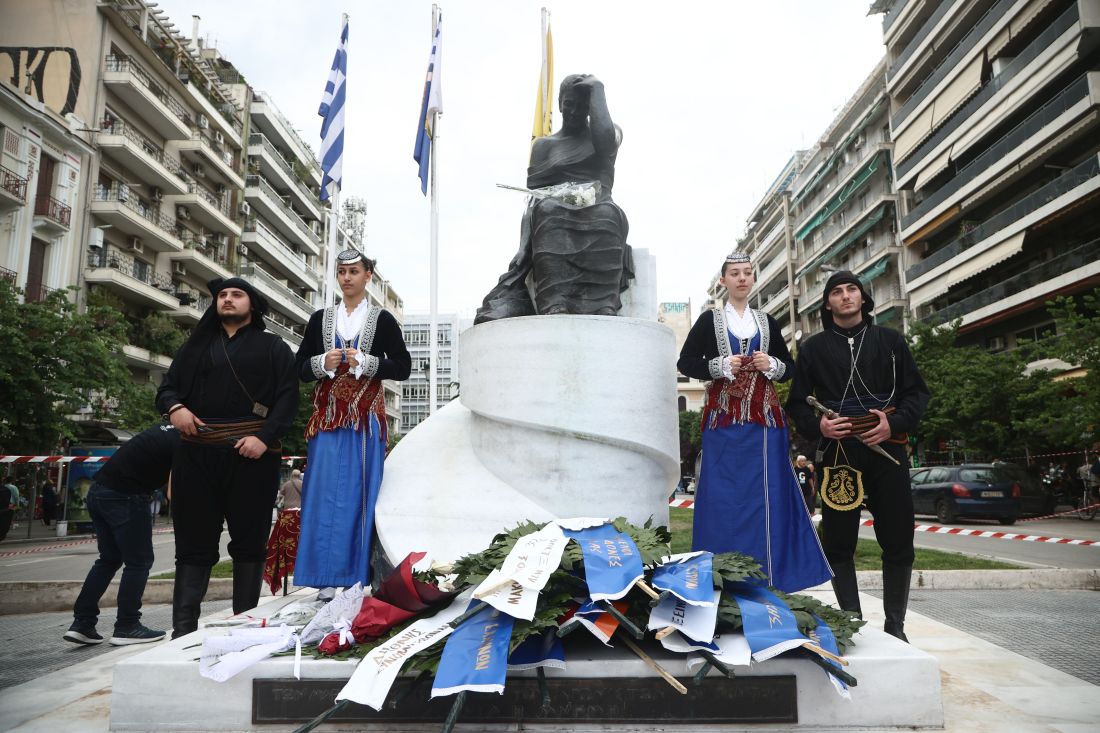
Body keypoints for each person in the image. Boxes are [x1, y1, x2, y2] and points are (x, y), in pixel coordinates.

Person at [786, 271, 930, 642]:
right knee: (838, 540)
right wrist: (819, 426)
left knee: (898, 538)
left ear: (864, 298)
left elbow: (916, 394)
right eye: (837, 291)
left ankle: (895, 625)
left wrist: (893, 421)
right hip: (839, 454)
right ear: (828, 303)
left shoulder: (892, 341)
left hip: (888, 449)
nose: (846, 296)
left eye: (852, 289)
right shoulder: (813, 349)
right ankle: (851, 623)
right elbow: (798, 404)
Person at [676, 250, 831, 593]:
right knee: (721, 493)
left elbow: (789, 367)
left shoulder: (767, 322)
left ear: (753, 279)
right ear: (723, 280)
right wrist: (718, 366)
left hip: (764, 421)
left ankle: (770, 576)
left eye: (747, 273)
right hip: (723, 419)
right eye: (735, 273)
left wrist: (771, 364)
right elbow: (685, 362)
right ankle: (718, 578)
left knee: (770, 492)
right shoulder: (709, 320)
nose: (742, 278)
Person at [156, 278, 298, 639]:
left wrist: (264, 439)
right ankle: (183, 631)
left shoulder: (274, 347)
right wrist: (175, 409)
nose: (228, 300)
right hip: (196, 454)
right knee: (193, 543)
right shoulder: (195, 347)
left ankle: (244, 627)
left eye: (236, 295)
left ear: (253, 304)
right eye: (222, 295)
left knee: (249, 542)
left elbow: (287, 400)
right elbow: (167, 388)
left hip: (252, 457)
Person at [293, 250, 411, 590]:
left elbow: (402, 367)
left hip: (364, 421)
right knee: (320, 492)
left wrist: (366, 361)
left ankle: (358, 577)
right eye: (341, 271)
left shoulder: (382, 319)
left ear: (368, 276)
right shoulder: (320, 319)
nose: (347, 277)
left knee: (361, 493)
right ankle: (322, 578)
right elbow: (299, 368)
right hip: (327, 419)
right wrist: (322, 362)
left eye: (354, 271)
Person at [476, 74, 632, 322]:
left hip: (598, 203)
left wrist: (598, 89)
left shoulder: (605, 133)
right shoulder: (543, 146)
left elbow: (605, 141)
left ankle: (603, 302)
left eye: (582, 106)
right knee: (548, 211)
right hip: (554, 208)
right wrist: (523, 243)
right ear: (560, 104)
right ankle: (554, 300)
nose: (574, 111)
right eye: (569, 104)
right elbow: (534, 198)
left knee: (607, 214)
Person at [63, 424, 180, 646]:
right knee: (139, 561)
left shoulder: (162, 430)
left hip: (98, 491)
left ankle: (82, 623)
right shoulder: (184, 441)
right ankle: (127, 626)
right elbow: (173, 492)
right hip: (126, 497)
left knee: (109, 559)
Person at [1, 475, 19, 542]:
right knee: (11, 516)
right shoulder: (14, 487)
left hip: (4, 504)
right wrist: (17, 505)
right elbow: (16, 496)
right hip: (12, 504)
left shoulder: (4, 487)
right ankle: (10, 525)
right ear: (12, 481)